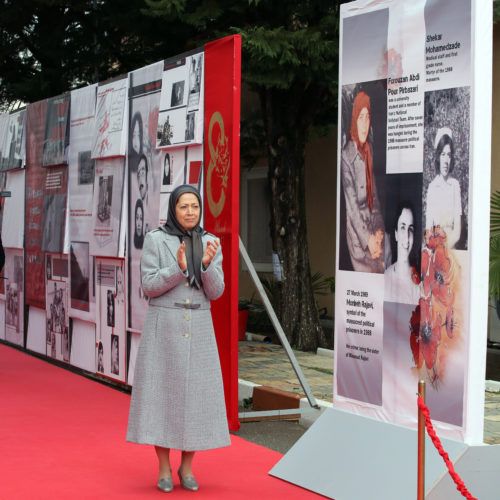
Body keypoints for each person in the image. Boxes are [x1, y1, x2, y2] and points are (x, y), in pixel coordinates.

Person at [127, 184, 229, 493]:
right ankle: (163, 469)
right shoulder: (156, 240)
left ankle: (187, 468)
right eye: (183, 206)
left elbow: (217, 291)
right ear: (173, 208)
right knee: (162, 397)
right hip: (164, 324)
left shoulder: (211, 242)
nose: (189, 212)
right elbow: (149, 286)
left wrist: (207, 266)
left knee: (195, 399)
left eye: (195, 207)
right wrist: (179, 267)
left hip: (199, 324)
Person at [341, 90, 384, 273]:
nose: (364, 124)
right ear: (353, 120)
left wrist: (380, 232)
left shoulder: (369, 151)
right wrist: (368, 240)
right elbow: (352, 210)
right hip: (360, 241)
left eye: (367, 117)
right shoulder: (346, 156)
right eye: (360, 118)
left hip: (375, 233)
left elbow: (374, 199)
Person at [425, 128, 462, 249]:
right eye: (443, 154)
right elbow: (429, 229)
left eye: (449, 155)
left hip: (451, 250)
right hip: (435, 249)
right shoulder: (432, 188)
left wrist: (445, 249)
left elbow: (457, 231)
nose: (446, 160)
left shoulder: (455, 186)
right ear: (438, 157)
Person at [384, 202, 420, 304]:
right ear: (396, 234)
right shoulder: (385, 278)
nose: (407, 237)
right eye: (403, 228)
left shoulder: (418, 286)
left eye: (411, 229)